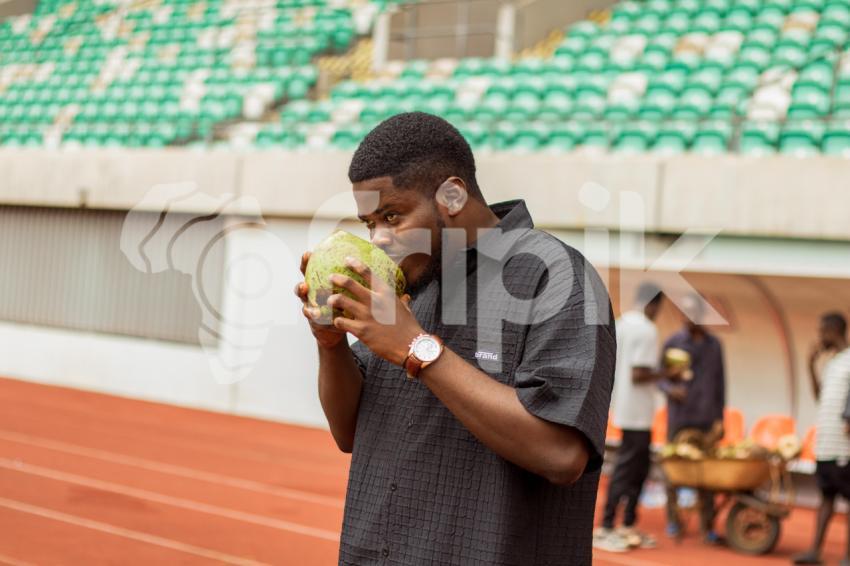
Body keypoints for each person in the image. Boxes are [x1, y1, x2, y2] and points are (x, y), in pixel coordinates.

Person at [294, 112, 616, 565]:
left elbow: (561, 455)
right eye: (370, 224)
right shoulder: (405, 282)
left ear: (451, 194)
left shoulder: (555, 276)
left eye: (393, 216)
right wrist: (330, 345)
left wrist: (416, 348)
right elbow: (348, 432)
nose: (380, 240)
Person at [594, 283, 667, 552]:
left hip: (623, 406)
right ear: (655, 304)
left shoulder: (622, 323)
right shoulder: (647, 330)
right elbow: (639, 373)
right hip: (637, 412)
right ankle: (608, 525)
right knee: (629, 471)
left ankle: (625, 524)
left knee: (636, 469)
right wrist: (667, 374)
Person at [659, 293, 726, 544]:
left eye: (693, 314)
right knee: (674, 472)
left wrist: (720, 418)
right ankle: (674, 521)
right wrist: (670, 389)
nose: (688, 319)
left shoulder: (715, 345)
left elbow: (721, 383)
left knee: (707, 475)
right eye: (684, 313)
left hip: (707, 419)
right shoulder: (673, 343)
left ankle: (707, 525)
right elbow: (661, 378)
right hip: (680, 418)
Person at [794, 312, 850, 566]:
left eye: (822, 332)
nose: (819, 337)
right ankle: (815, 551)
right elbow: (820, 397)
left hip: (845, 447)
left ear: (833, 331)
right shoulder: (832, 363)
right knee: (826, 497)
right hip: (826, 442)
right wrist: (810, 364)